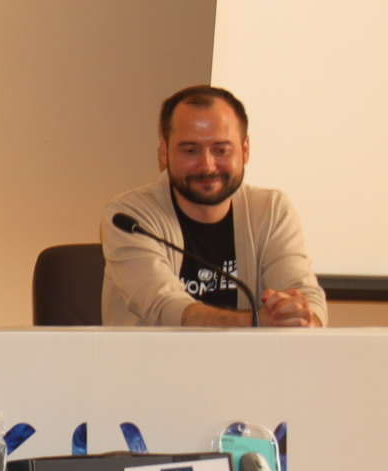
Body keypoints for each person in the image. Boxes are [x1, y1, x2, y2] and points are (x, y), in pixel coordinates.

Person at [101, 85, 322, 327]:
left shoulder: (271, 210)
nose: (207, 166)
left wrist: (302, 318)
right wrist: (256, 323)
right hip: (152, 353)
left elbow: (306, 296)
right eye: (191, 151)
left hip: (250, 353)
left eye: (221, 150)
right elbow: (165, 307)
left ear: (245, 150)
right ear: (164, 152)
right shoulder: (129, 218)